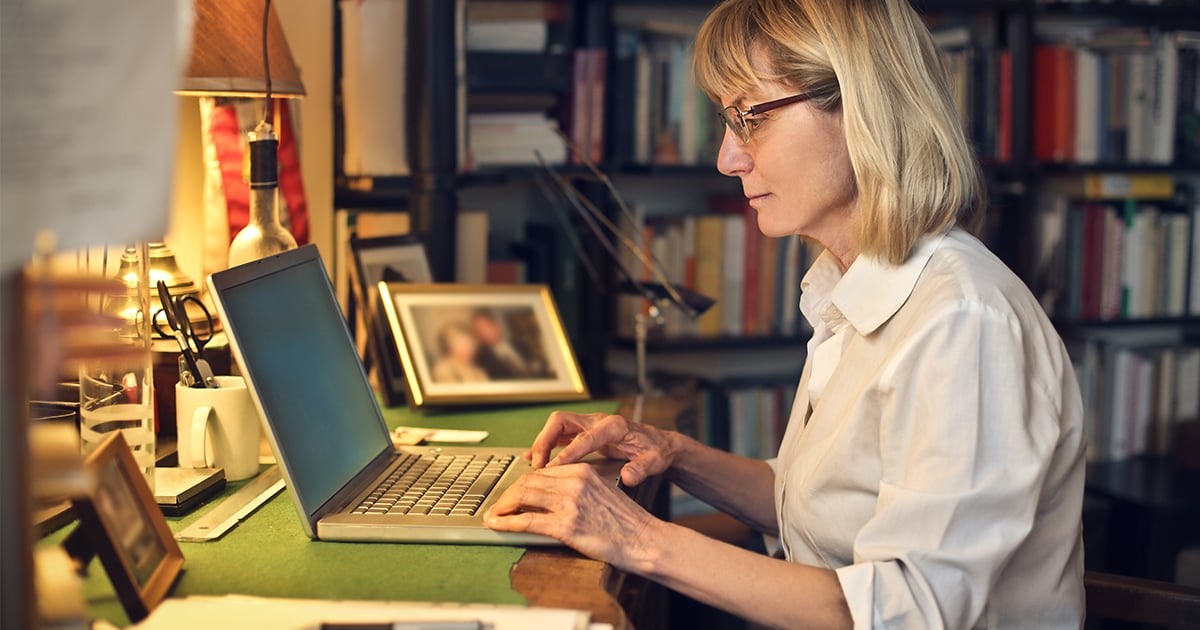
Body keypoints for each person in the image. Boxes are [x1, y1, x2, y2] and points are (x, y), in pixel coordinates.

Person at [484, 0, 1087, 628]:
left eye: (750, 117)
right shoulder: (849, 286)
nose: (728, 158)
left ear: (863, 107)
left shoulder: (962, 322)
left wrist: (635, 538)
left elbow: (908, 611)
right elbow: (816, 505)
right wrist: (674, 453)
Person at [470, 309, 529, 379]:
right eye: (479, 331)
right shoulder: (481, 360)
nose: (484, 333)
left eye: (486, 327)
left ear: (496, 326)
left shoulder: (520, 344)